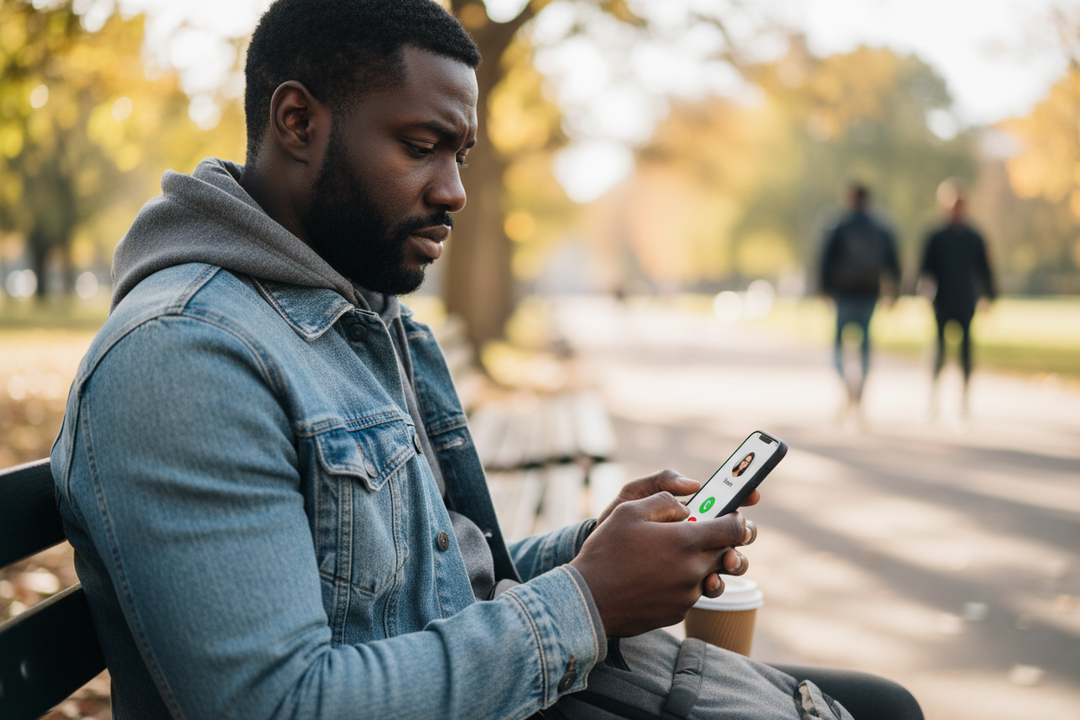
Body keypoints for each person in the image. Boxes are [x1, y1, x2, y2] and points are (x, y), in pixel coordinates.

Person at [49, 2, 908, 718]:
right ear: (299, 122)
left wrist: (597, 550)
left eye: (459, 155)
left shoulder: (354, 315)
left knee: (880, 703)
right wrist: (589, 601)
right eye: (421, 145)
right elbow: (281, 705)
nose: (454, 189)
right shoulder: (184, 360)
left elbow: (429, 588)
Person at [819, 182, 901, 415]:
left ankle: (848, 389)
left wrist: (825, 289)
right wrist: (893, 293)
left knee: (838, 346)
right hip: (869, 293)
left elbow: (826, 259)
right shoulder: (881, 227)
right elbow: (893, 261)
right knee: (865, 346)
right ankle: (860, 394)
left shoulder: (839, 225)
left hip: (844, 294)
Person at [918, 180, 996, 417]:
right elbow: (925, 268)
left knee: (965, 352)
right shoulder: (936, 236)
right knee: (939, 350)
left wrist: (989, 295)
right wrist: (922, 292)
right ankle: (934, 399)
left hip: (965, 300)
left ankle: (963, 401)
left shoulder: (974, 236)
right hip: (942, 301)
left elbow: (984, 268)